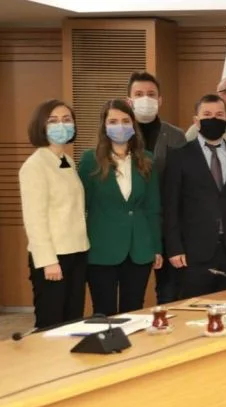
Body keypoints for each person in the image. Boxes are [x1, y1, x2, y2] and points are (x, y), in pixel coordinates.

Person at [164, 94, 226, 297]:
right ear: (196, 121)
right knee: (196, 309)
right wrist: (174, 247)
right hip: (194, 253)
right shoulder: (179, 156)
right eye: (207, 115)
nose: (213, 119)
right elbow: (171, 207)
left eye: (219, 115)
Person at [78, 99, 162, 316]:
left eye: (125, 121)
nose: (120, 126)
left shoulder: (147, 160)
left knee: (133, 311)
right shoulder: (90, 160)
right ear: (104, 126)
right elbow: (80, 207)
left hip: (139, 249)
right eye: (113, 121)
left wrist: (156, 247)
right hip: (101, 249)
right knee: (103, 311)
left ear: (133, 124)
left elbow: (152, 208)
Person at [18, 99, 89, 329]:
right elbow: (34, 219)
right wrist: (48, 261)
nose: (62, 125)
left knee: (73, 321)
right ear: (41, 126)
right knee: (51, 324)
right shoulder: (35, 166)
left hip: (76, 252)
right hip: (53, 258)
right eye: (53, 120)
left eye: (66, 119)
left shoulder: (67, 160)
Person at [126, 71, 187, 305]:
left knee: (170, 294)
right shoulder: (119, 135)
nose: (146, 99)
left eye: (151, 94)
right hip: (133, 226)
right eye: (139, 94)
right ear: (129, 100)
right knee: (132, 296)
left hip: (167, 225)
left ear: (160, 100)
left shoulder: (176, 136)